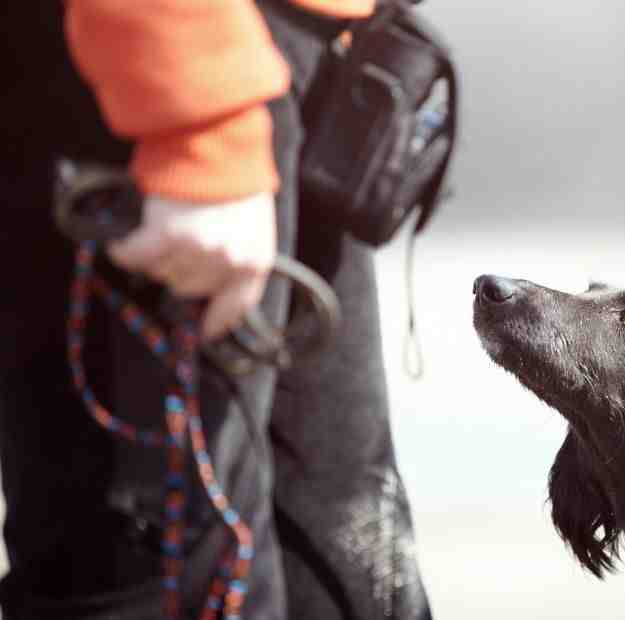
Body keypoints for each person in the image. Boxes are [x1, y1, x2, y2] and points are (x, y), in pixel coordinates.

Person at [0, 1, 431, 618]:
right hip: (155, 86)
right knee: (169, 583)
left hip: (298, 67)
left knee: (351, 565)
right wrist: (194, 124)